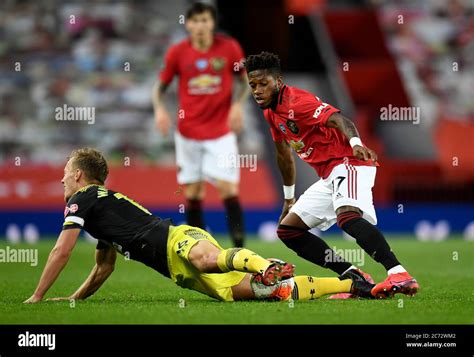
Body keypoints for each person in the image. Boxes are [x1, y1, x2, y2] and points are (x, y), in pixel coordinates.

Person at [24, 148, 376, 304]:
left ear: (78, 174)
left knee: (210, 259)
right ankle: (352, 283)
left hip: (176, 238)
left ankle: (267, 266)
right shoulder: (103, 209)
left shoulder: (83, 197)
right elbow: (103, 268)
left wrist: (37, 297)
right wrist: (73, 299)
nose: (60, 180)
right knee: (270, 294)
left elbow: (62, 249)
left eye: (64, 174)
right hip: (180, 272)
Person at [244, 52, 419, 298]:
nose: (258, 90)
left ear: (278, 82)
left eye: (264, 83)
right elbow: (283, 155)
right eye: (253, 85)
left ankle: (399, 273)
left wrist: (356, 142)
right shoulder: (271, 113)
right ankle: (353, 278)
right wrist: (288, 198)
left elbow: (338, 119)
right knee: (288, 230)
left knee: (347, 218)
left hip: (349, 162)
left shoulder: (296, 102)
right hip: (328, 175)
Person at [152, 2, 249, 247]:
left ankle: (239, 248)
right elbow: (159, 88)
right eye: (195, 21)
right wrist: (160, 109)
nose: (200, 26)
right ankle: (198, 250)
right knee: (193, 193)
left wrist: (237, 105)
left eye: (205, 20)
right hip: (187, 133)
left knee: (228, 188)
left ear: (213, 23)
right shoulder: (177, 52)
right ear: (188, 24)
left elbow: (245, 81)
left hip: (221, 133)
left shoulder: (229, 48)